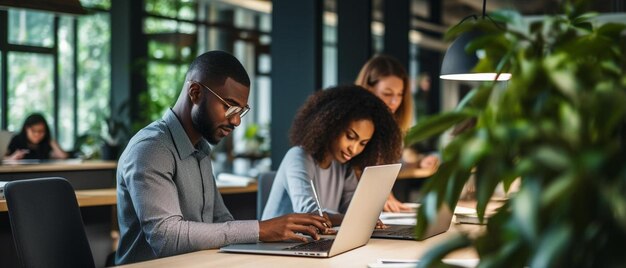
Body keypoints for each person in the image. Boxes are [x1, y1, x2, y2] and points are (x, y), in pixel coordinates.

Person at [115, 51, 330, 265]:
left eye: (241, 110)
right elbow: (167, 238)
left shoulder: (200, 149)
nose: (236, 121)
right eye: (229, 106)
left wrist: (278, 241)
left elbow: (221, 221)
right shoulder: (151, 149)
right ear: (195, 92)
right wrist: (262, 229)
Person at [261, 85, 402, 225]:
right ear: (331, 126)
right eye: (350, 136)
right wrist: (357, 220)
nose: (354, 149)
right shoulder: (298, 157)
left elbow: (353, 211)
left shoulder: (344, 166)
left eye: (363, 143)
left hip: (312, 242)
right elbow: (309, 214)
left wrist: (365, 218)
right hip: (278, 245)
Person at [355, 54, 439, 212]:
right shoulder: (355, 125)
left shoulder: (391, 127)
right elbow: (354, 168)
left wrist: (418, 162)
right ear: (368, 88)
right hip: (351, 209)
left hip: (377, 209)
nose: (395, 101)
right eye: (387, 93)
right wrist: (380, 195)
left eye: (400, 94)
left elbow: (393, 162)